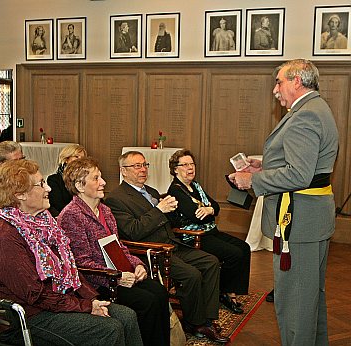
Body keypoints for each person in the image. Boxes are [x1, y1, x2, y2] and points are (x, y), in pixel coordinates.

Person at [229, 59, 339, 345]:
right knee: (310, 296)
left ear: (296, 81)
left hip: (300, 221)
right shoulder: (315, 108)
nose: (275, 89)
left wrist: (253, 181)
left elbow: (300, 174)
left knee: (295, 301)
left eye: (279, 81)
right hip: (311, 217)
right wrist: (263, 165)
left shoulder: (305, 115)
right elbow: (309, 165)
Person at [0, 159, 142, 346]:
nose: (48, 188)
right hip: (27, 317)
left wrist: (93, 300)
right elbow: (35, 293)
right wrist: (86, 306)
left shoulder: (44, 223)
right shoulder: (5, 237)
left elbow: (71, 269)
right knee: (108, 328)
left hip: (55, 303)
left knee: (127, 316)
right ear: (20, 195)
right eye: (41, 184)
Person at [105, 151, 230, 344]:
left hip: (172, 243)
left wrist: (174, 212)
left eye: (145, 165)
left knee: (211, 262)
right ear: (123, 171)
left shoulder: (152, 191)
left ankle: (208, 317)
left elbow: (167, 221)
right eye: (136, 166)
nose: (143, 169)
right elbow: (133, 231)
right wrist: (159, 210)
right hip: (153, 251)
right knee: (192, 274)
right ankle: (196, 323)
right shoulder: (116, 198)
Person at [58, 157, 170, 346]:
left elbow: (119, 247)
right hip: (98, 282)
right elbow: (80, 263)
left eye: (100, 177)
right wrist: (117, 276)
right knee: (146, 301)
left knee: (158, 292)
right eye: (96, 178)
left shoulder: (105, 211)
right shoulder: (71, 216)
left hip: (119, 274)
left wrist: (137, 265)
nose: (103, 182)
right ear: (79, 185)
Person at [167, 149, 250, 314]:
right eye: (185, 165)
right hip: (194, 238)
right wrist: (208, 211)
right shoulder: (176, 190)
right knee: (234, 253)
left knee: (244, 247)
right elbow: (196, 217)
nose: (190, 168)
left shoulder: (195, 186)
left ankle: (228, 289)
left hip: (211, 232)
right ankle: (227, 293)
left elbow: (216, 207)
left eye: (192, 164)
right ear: (175, 169)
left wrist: (209, 210)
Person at [47, 144, 87, 217]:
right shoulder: (54, 180)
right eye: (76, 157)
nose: (80, 160)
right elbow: (58, 205)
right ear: (66, 159)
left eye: (82, 158)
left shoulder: (86, 179)